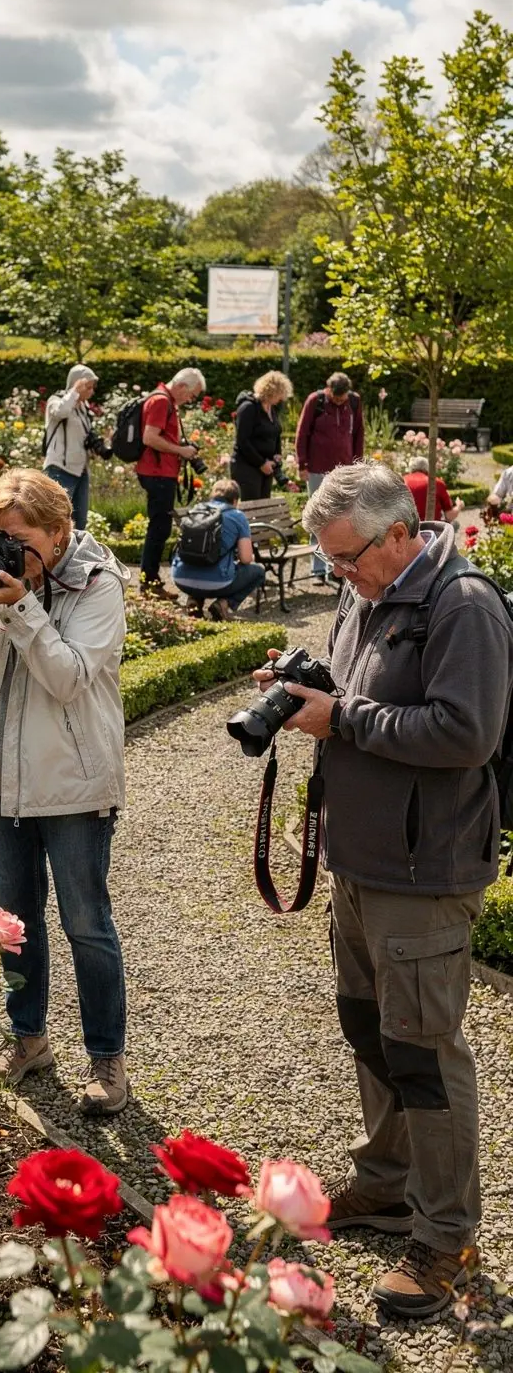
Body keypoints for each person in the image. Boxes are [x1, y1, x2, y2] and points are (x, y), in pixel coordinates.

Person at [252, 462, 513, 1319]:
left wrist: (344, 719)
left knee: (426, 1055)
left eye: (346, 558)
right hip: (363, 863)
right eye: (327, 561)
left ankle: (446, 1242)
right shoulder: (369, 589)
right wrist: (306, 693)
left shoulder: (463, 604)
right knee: (371, 1029)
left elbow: (466, 732)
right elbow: (359, 695)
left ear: (400, 532)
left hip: (424, 870)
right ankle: (388, 1184)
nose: (338, 575)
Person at [0, 469, 131, 1115]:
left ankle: (107, 1061)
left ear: (59, 532)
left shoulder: (97, 585)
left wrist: (19, 607)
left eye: (18, 540)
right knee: (14, 924)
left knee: (86, 925)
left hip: (71, 786)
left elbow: (68, 678)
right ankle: (28, 1039)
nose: (5, 551)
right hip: (0, 782)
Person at [136, 367, 205, 599]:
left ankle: (151, 581)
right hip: (157, 473)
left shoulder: (164, 400)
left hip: (161, 472)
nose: (190, 400)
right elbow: (149, 437)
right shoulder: (160, 401)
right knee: (158, 529)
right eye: (192, 395)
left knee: (160, 528)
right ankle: (149, 584)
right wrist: (181, 450)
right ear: (182, 386)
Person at [295, 372, 364, 583]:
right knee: (318, 517)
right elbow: (302, 433)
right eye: (335, 398)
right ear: (328, 390)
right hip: (317, 468)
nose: (338, 401)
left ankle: (336, 570)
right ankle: (317, 569)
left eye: (341, 399)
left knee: (343, 517)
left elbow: (359, 432)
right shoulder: (315, 401)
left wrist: (358, 464)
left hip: (343, 469)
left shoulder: (354, 401)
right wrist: (302, 464)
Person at [171, 479, 265, 621]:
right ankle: (223, 604)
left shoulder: (197, 510)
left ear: (212, 496)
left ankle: (194, 601)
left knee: (200, 559)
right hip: (216, 583)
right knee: (258, 571)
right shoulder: (237, 516)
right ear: (235, 500)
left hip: (180, 578)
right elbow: (246, 558)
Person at [43, 364, 103, 530]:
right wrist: (74, 392)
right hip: (60, 469)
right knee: (58, 522)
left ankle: (75, 556)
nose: (92, 392)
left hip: (80, 471)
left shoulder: (84, 407)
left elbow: (83, 435)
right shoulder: (55, 401)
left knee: (79, 523)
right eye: (88, 387)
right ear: (77, 384)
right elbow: (60, 412)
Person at [230, 371, 293, 501]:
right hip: (247, 467)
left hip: (267, 467)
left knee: (264, 506)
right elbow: (243, 441)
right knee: (252, 507)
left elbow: (275, 434)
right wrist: (261, 463)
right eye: (279, 394)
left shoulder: (272, 409)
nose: (281, 399)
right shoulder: (248, 408)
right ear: (271, 392)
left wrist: (277, 455)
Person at [403, 457, 463, 523]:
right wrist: (459, 506)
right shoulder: (437, 483)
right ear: (428, 468)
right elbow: (449, 516)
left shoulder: (401, 481)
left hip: (406, 529)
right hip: (431, 528)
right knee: (455, 524)